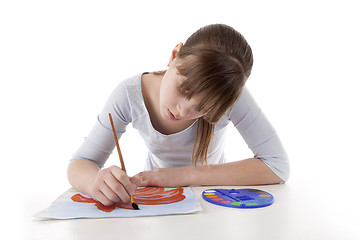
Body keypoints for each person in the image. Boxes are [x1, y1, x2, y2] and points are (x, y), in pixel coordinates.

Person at [67, 24, 289, 206]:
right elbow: (80, 163)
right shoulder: (129, 93)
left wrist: (179, 176)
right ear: (174, 55)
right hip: (157, 201)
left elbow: (278, 166)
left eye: (202, 108)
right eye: (183, 89)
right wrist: (95, 182)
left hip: (212, 203)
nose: (183, 111)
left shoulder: (229, 96)